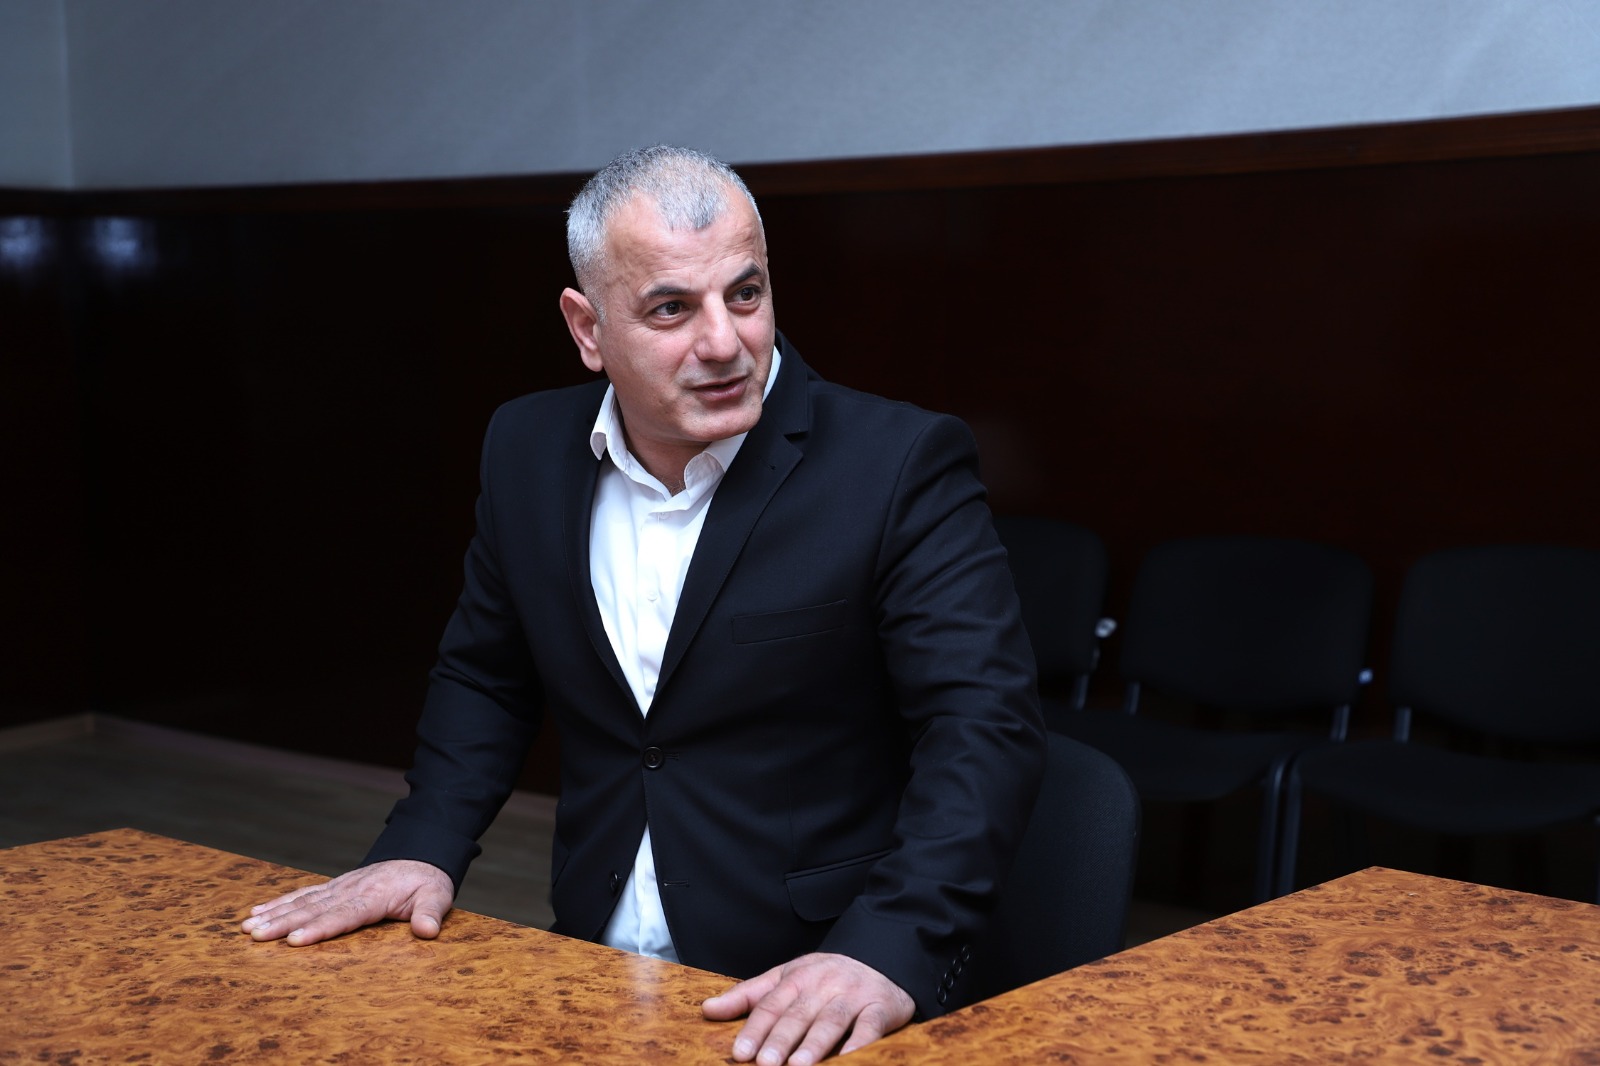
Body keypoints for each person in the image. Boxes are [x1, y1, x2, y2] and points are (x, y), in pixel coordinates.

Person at [242, 145, 1045, 1065]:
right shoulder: (525, 448)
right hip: (591, 968)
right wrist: (421, 846)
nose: (725, 342)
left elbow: (982, 725)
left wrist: (886, 946)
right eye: (671, 309)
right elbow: (487, 676)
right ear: (587, 330)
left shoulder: (897, 463)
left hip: (818, 978)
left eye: (745, 294)